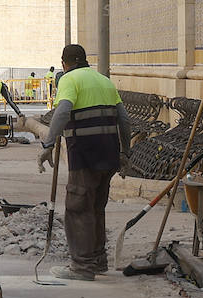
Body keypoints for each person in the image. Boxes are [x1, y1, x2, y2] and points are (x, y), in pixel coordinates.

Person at [36, 44, 132, 281]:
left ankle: (82, 267)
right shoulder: (104, 80)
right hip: (109, 154)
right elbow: (124, 119)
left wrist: (48, 145)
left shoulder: (69, 80)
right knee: (96, 208)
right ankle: (97, 261)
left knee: (78, 208)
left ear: (64, 63)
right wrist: (125, 152)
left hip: (85, 155)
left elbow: (62, 112)